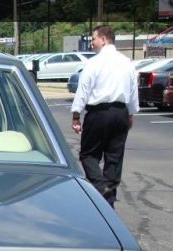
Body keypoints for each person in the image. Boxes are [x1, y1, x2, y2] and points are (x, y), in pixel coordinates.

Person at [71, 25, 139, 208]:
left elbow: (83, 90)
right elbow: (133, 92)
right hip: (120, 112)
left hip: (98, 113)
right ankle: (109, 199)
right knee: (114, 157)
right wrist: (131, 113)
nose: (91, 43)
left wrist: (76, 115)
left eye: (93, 39)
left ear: (103, 39)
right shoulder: (127, 63)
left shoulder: (94, 63)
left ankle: (101, 189)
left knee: (88, 154)